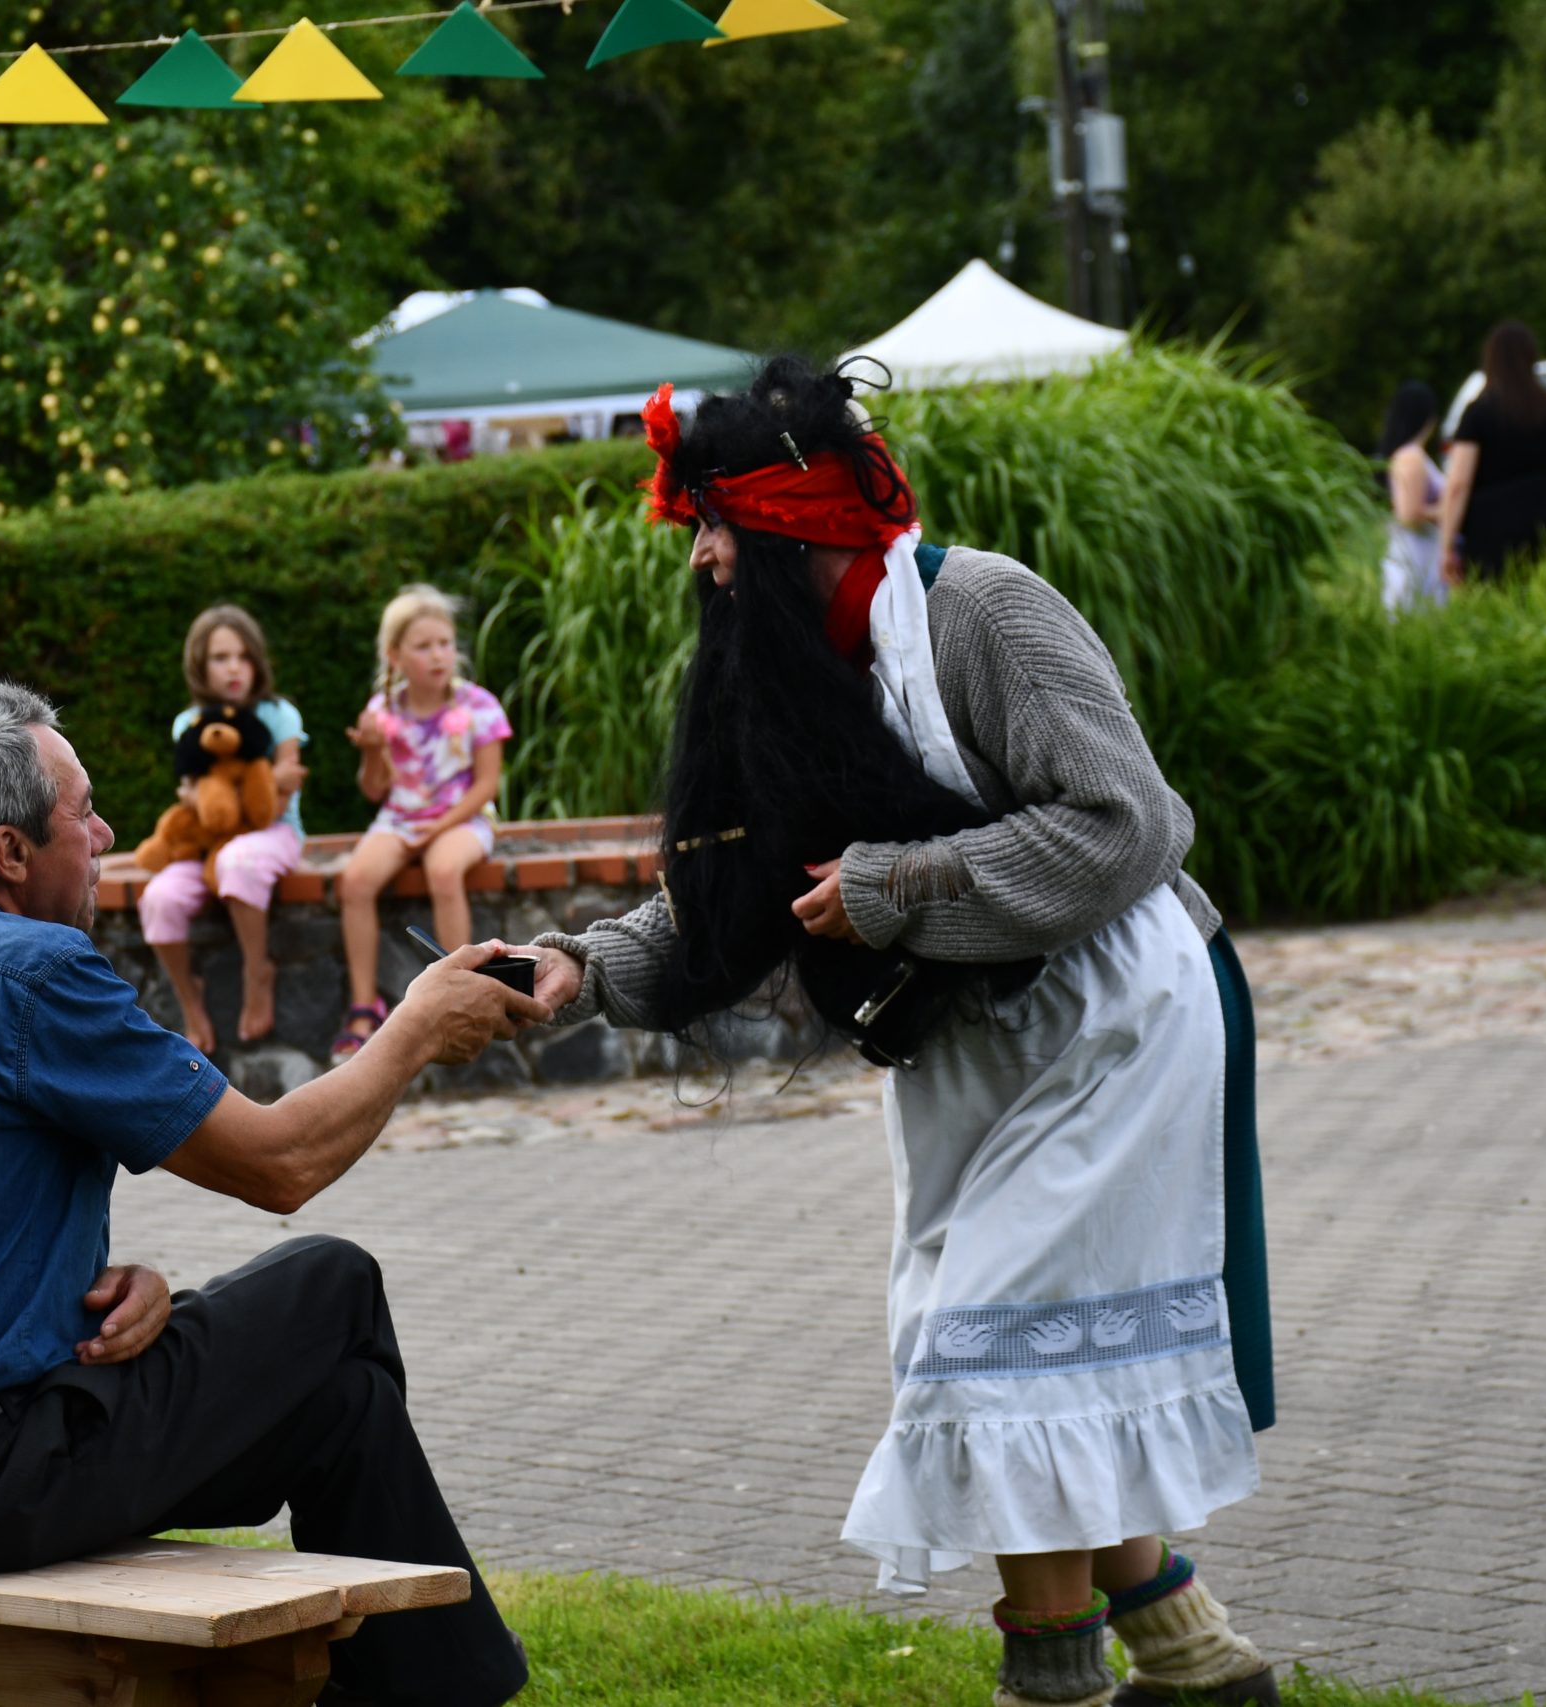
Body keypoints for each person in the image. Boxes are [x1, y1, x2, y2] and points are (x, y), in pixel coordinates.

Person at [524, 360, 1280, 1707]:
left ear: (792, 523)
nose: (699, 557)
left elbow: (1129, 823)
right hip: (974, 1046)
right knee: (1025, 1352)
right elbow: (733, 893)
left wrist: (896, 884)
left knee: (995, 1348)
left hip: (1113, 1026)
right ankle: (1197, 1661)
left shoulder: (983, 610)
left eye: (715, 526)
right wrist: (576, 968)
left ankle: (1051, 1684)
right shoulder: (781, 665)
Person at [0, 681, 541, 1707]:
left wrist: (92, 1289)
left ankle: (444, 1692)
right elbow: (281, 1164)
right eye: (83, 813)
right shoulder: (28, 970)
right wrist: (418, 1027)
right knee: (331, 1285)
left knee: (342, 1405)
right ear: (9, 852)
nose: (105, 835)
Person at [331, 586, 513, 1061]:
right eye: (424, 646)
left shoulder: (478, 705)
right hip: (401, 817)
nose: (439, 655)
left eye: (445, 643)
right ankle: (364, 1004)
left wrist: (440, 827)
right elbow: (374, 790)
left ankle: (461, 992)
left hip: (464, 817)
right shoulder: (382, 711)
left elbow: (486, 785)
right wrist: (372, 750)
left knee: (444, 870)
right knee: (355, 881)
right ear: (395, 656)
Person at [139, 606, 310, 1054]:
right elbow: (193, 797)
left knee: (239, 861)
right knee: (159, 898)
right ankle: (189, 998)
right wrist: (256, 784)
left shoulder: (279, 714)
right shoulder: (188, 724)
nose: (234, 667)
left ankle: (257, 972)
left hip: (273, 833)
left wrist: (238, 792)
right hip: (208, 844)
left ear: (257, 661)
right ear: (199, 665)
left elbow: (279, 801)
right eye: (220, 658)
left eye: (243, 656)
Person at [1436, 321, 1546, 584]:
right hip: (1544, 523)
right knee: (1545, 598)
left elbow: (1458, 484)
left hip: (1489, 528)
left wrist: (1447, 545)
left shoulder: (1478, 412)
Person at [1378, 380, 1448, 613]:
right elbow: (1408, 514)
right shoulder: (1411, 457)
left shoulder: (1409, 454)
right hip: (1416, 555)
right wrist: (1448, 510)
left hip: (1418, 553)